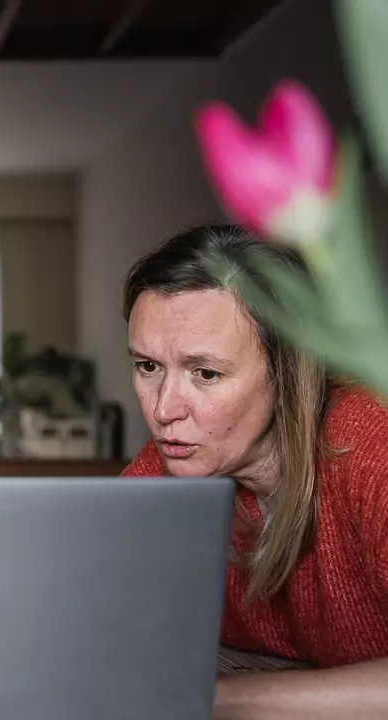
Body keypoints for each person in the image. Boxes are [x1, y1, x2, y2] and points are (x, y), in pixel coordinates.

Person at [121, 223, 388, 719]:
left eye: (205, 373)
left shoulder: (373, 442)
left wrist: (221, 700)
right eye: (148, 367)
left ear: (289, 369)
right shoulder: (166, 470)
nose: (163, 410)